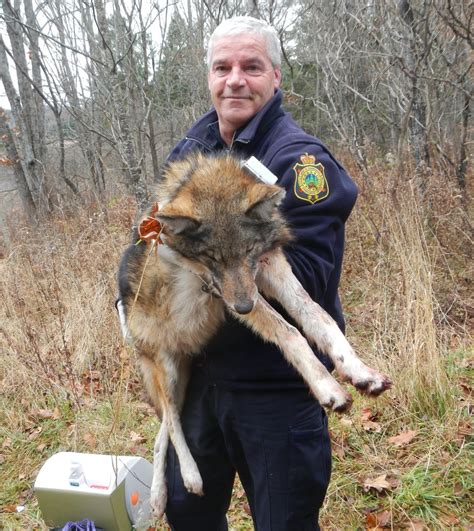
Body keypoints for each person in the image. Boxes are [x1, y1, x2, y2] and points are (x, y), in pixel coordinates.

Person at [163, 16, 358, 531]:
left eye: (251, 66)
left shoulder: (301, 161)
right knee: (188, 512)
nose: (235, 79)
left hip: (274, 386)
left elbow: (311, 275)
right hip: (202, 380)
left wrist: (203, 280)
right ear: (208, 77)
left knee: (284, 519)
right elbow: (162, 244)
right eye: (222, 67)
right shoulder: (192, 148)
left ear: (276, 77)